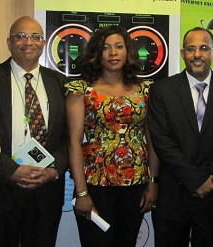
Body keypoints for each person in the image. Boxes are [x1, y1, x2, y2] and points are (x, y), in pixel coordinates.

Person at [0, 16, 69, 247]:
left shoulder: (61, 83)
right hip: (0, 185)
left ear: (44, 43)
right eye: (20, 36)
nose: (28, 42)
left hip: (46, 189)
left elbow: (67, 137)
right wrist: (9, 169)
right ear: (9, 42)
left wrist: (54, 171)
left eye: (36, 37)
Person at [147, 27, 213, 247]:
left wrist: (210, 178)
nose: (197, 54)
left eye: (204, 48)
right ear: (183, 53)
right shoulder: (161, 90)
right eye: (191, 49)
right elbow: (161, 141)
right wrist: (195, 180)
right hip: (173, 196)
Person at [65, 25, 159, 247]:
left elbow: (153, 140)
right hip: (95, 185)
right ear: (97, 53)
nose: (113, 53)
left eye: (119, 46)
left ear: (128, 51)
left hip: (135, 183)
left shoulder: (146, 90)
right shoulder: (81, 89)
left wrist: (153, 182)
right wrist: (81, 193)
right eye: (106, 48)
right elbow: (73, 143)